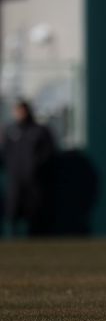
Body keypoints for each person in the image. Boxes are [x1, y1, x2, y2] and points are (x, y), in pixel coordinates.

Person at [0, 100, 57, 236]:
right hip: (15, 177)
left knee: (34, 208)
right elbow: (5, 152)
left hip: (34, 178)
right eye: (17, 111)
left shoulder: (39, 130)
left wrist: (36, 165)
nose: (20, 114)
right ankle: (12, 237)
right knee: (12, 208)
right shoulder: (11, 131)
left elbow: (48, 151)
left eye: (22, 111)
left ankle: (36, 237)